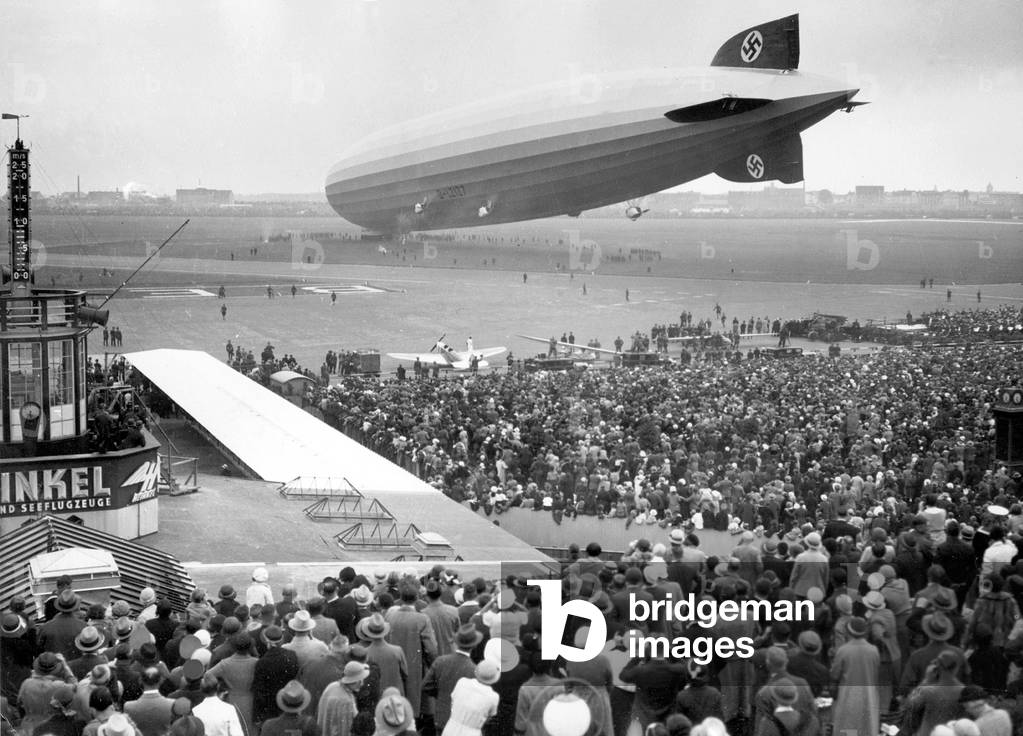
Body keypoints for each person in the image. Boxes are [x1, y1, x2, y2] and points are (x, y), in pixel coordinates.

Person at [442, 660, 500, 736]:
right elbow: (489, 716)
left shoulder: (462, 682)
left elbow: (453, 701)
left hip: (451, 728)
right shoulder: (493, 697)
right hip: (472, 732)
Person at [317, 661, 368, 736]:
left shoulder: (332, 686)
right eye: (360, 680)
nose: (362, 683)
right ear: (353, 681)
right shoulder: (346, 702)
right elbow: (345, 731)